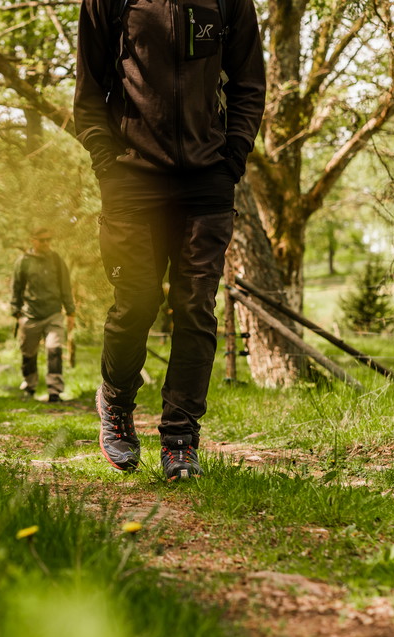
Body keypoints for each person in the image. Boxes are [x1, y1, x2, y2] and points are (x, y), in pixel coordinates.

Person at [74, 0, 266, 478]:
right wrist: (106, 161)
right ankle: (116, 402)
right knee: (136, 302)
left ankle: (180, 439)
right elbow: (89, 88)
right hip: (130, 178)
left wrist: (233, 157)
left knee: (196, 306)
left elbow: (248, 83)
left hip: (206, 179)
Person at [10, 227, 76, 403]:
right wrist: (16, 312)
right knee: (28, 353)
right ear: (33, 240)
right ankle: (29, 386)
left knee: (54, 349)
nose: (46, 243)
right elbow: (16, 287)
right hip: (29, 314)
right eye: (42, 240)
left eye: (49, 240)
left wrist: (70, 312)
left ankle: (54, 391)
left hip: (53, 313)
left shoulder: (56, 260)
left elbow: (65, 286)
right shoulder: (23, 261)